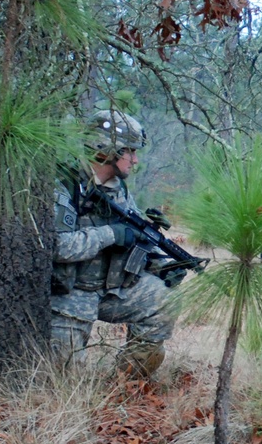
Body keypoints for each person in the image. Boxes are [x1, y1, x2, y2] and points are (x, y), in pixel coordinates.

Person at [50, 109, 178, 378]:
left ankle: (125, 382)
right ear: (106, 149)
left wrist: (160, 264)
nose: (135, 159)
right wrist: (110, 234)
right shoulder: (65, 184)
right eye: (129, 151)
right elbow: (58, 246)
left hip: (111, 291)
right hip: (68, 297)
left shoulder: (119, 188)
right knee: (64, 381)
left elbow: (133, 234)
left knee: (163, 299)